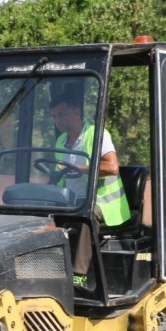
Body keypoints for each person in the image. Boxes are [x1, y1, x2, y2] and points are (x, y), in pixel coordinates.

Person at [48, 96, 130, 291]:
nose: (58, 120)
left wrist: (79, 167)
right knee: (41, 213)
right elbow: (60, 175)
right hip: (73, 199)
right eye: (54, 116)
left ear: (77, 112)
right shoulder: (60, 140)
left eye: (61, 114)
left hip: (104, 203)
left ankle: (78, 276)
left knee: (86, 214)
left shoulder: (96, 134)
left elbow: (112, 167)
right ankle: (49, 270)